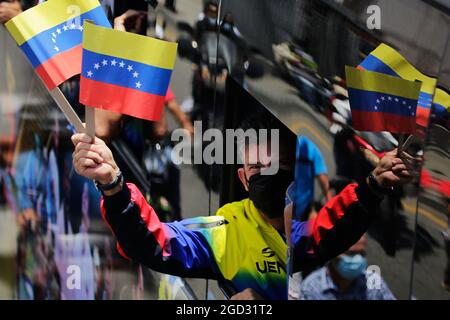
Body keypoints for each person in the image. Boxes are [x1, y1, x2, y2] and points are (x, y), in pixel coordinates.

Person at [71, 112, 412, 299]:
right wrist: (113, 185)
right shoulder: (226, 233)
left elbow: (335, 230)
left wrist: (373, 185)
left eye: (277, 165)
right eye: (256, 169)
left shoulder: (301, 234)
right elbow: (156, 244)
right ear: (244, 179)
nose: (268, 175)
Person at [299, 235, 395, 300]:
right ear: (332, 254)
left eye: (362, 254)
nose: (358, 259)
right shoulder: (312, 288)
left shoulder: (373, 281)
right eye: (351, 254)